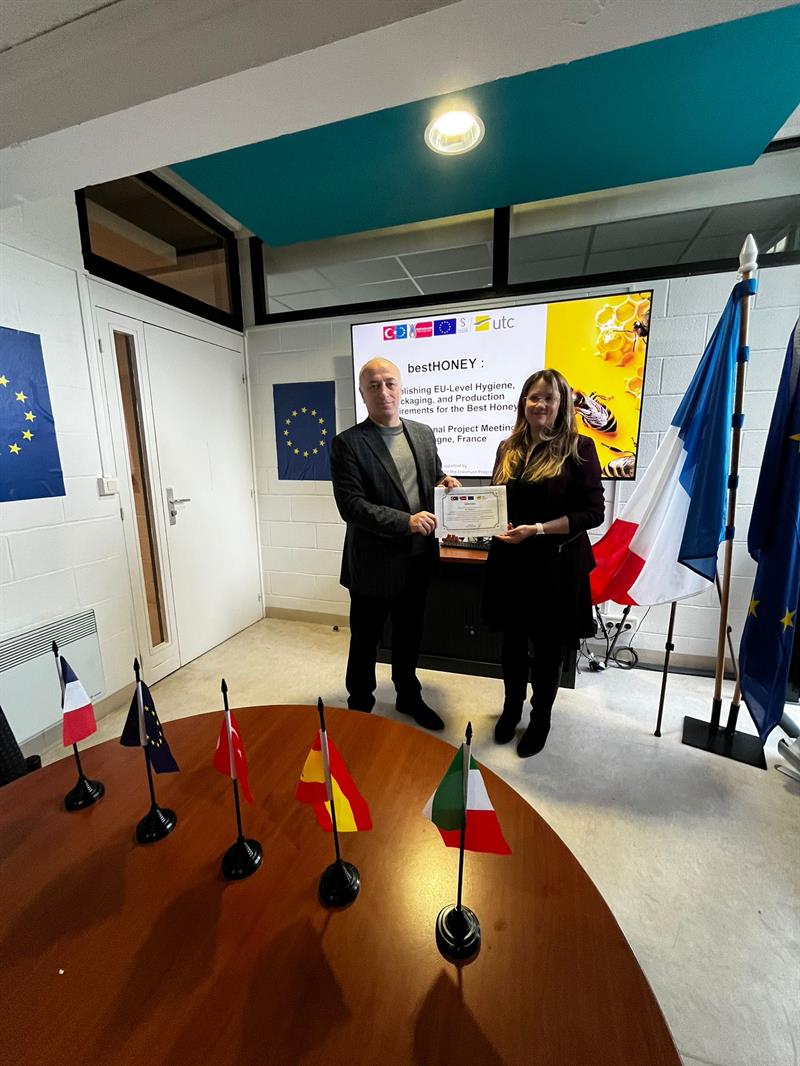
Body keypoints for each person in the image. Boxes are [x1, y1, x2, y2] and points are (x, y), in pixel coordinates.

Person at [330, 358, 461, 730]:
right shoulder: (347, 444)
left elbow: (431, 476)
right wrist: (406, 521)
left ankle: (408, 697)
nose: (383, 391)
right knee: (365, 641)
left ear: (401, 388)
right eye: (373, 385)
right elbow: (351, 506)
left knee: (408, 636)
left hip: (418, 560)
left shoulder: (423, 433)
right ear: (362, 394)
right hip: (372, 564)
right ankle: (360, 705)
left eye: (389, 383)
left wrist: (445, 482)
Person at [483, 368, 605, 757]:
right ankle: (511, 709)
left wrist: (537, 529)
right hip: (512, 563)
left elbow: (593, 513)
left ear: (562, 404)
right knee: (513, 645)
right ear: (524, 402)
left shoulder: (579, 447)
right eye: (534, 397)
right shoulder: (508, 447)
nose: (540, 404)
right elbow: (496, 501)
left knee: (549, 651)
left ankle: (540, 719)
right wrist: (471, 511)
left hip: (556, 567)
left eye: (549, 398)